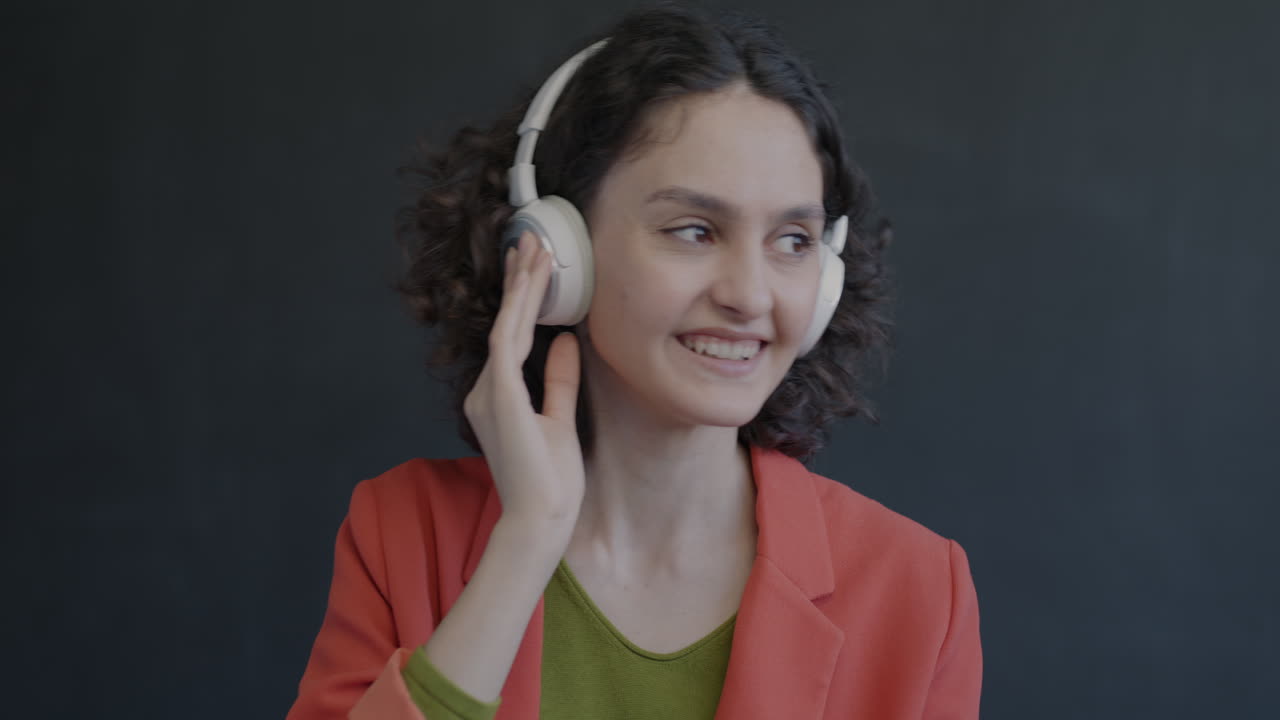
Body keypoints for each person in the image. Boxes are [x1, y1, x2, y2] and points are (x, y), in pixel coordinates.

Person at [286, 5, 981, 719]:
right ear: (557, 254)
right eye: (694, 231)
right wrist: (526, 541)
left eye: (794, 240)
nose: (749, 294)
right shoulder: (404, 533)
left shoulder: (919, 590)